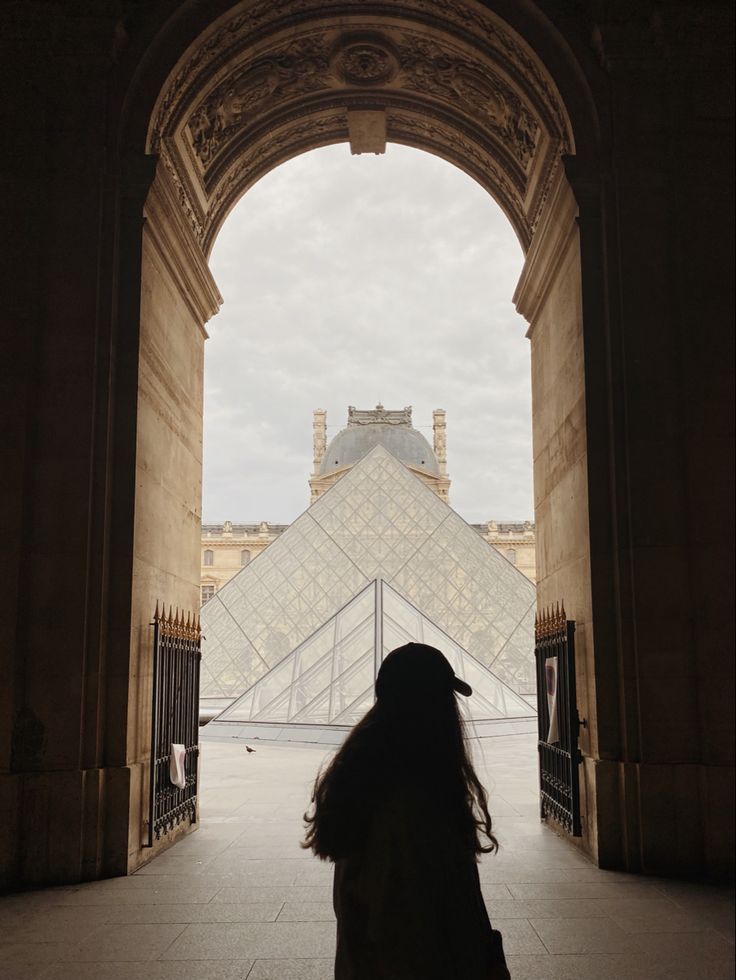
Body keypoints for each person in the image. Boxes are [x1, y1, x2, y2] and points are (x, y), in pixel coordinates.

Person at [302, 641, 511, 980]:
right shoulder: (413, 807)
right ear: (430, 710)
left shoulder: (365, 781)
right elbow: (418, 934)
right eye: (447, 700)